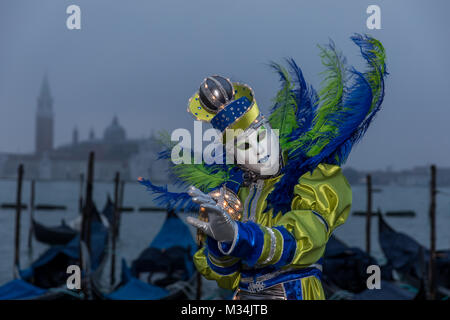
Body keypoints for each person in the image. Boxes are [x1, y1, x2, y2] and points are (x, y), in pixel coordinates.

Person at [139, 34, 387, 300]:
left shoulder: (311, 179)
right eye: (245, 147)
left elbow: (305, 238)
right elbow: (225, 278)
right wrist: (219, 241)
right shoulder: (232, 197)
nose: (259, 149)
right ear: (234, 158)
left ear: (272, 131)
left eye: (261, 137)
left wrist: (241, 236)